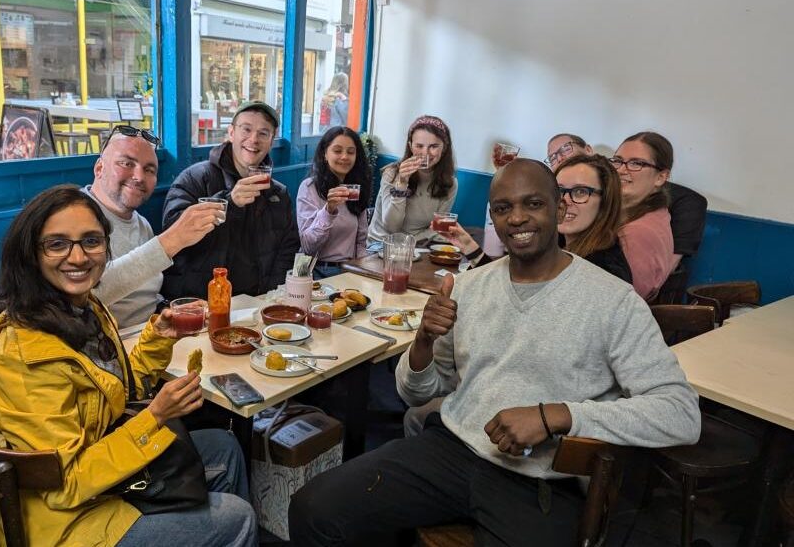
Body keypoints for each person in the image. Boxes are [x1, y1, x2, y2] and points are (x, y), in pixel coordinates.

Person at [289, 159, 701, 546]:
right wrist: (424, 343)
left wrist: (556, 415)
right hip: (451, 449)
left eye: (533, 204)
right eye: (503, 208)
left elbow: (680, 414)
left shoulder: (612, 301)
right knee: (314, 509)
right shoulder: (469, 286)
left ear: (559, 208)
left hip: (542, 479)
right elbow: (418, 393)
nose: (517, 218)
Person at [0, 185, 257, 547]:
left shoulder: (83, 308)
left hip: (103, 474)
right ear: (30, 255)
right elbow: (67, 485)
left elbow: (116, 390)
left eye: (91, 241)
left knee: (224, 446)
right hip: (70, 522)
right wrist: (155, 416)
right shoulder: (21, 357)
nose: (78, 257)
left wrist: (158, 337)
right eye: (57, 244)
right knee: (238, 517)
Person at [85, 126, 223, 328]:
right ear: (99, 168)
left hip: (149, 336)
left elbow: (144, 295)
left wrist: (169, 310)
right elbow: (84, 294)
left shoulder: (141, 223)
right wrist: (173, 239)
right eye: (126, 163)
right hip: (103, 347)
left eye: (149, 170)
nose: (139, 177)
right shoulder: (73, 217)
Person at [161, 101, 300, 299]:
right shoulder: (194, 178)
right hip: (202, 303)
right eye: (246, 129)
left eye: (263, 133)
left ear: (271, 140)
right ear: (231, 133)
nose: (253, 140)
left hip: (258, 303)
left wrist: (270, 295)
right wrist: (229, 202)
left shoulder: (278, 193)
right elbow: (172, 235)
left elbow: (288, 248)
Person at [368, 115, 458, 248]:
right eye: (419, 146)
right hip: (380, 246)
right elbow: (391, 227)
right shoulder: (392, 173)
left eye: (433, 146)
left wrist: (411, 242)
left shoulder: (450, 183)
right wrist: (402, 183)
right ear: (410, 146)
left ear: (444, 148)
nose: (425, 153)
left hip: (417, 247)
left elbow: (437, 228)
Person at [296, 126, 372, 279]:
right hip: (314, 271)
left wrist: (363, 271)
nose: (344, 157)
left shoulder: (356, 189)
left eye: (351, 152)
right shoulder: (309, 188)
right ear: (325, 153)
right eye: (337, 151)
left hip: (349, 270)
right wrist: (328, 211)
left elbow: (361, 242)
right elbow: (308, 246)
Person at [611, 131, 679, 300]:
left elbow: (624, 301)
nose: (621, 170)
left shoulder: (637, 232)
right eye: (618, 161)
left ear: (661, 177)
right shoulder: (654, 212)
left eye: (636, 163)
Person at [555, 153, 632, 284]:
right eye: (558, 190)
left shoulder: (604, 271)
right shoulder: (559, 243)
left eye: (580, 192)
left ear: (605, 202)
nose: (564, 201)